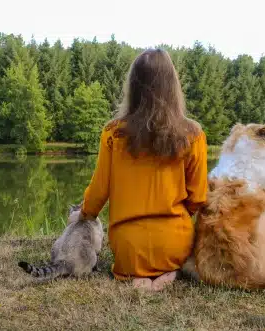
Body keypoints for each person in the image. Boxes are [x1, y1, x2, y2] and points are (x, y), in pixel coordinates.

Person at [79, 48, 208, 291]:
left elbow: (98, 191)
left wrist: (84, 214)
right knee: (171, 258)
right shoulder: (193, 135)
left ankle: (138, 278)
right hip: (175, 244)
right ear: (173, 86)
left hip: (129, 248)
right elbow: (199, 198)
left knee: (133, 262)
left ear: (133, 86)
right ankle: (168, 273)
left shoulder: (113, 133)